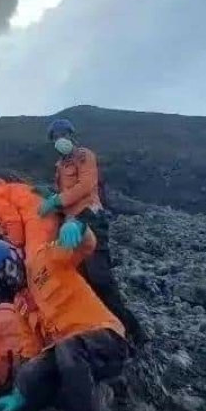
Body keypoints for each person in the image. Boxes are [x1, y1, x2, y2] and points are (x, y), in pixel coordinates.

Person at [0, 235, 132, 411]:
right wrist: (20, 391)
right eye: (1, 277)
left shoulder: (45, 258)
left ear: (15, 255)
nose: (9, 277)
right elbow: (31, 351)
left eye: (8, 268)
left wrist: (78, 230)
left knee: (67, 350)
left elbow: (84, 246)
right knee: (29, 374)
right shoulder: (20, 306)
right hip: (74, 360)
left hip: (106, 341)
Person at [37, 118, 148, 347]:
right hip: (71, 224)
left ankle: (134, 332)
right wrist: (50, 199)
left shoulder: (84, 156)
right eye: (55, 137)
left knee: (100, 278)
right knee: (85, 280)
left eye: (62, 135)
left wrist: (57, 199)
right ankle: (105, 330)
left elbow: (86, 185)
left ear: (71, 135)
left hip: (90, 218)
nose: (59, 140)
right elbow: (65, 195)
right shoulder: (60, 166)